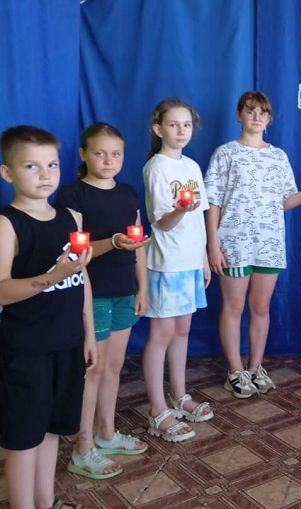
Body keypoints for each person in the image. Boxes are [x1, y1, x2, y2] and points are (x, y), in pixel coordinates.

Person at [205, 91, 301, 398]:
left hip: (269, 243)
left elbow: (285, 201)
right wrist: (213, 244)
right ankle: (235, 371)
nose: (256, 117)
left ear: (269, 119)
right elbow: (213, 201)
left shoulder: (278, 156)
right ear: (238, 115)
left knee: (261, 307)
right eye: (250, 111)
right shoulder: (225, 153)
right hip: (234, 243)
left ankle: (255, 367)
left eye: (262, 112)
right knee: (234, 307)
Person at [0, 125, 96, 509]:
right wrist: (52, 277)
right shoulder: (7, 224)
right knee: (25, 437)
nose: (45, 175)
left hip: (67, 342)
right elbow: (1, 289)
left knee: (54, 427)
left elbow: (82, 278)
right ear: (7, 173)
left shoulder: (71, 217)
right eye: (32, 166)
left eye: (52, 165)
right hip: (27, 349)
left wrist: (89, 333)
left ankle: (47, 500)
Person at [55, 123, 149, 479]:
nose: (108, 160)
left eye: (116, 154)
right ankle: (82, 448)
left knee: (114, 365)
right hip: (90, 294)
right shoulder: (73, 195)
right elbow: (74, 250)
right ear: (83, 154)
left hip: (125, 290)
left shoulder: (127, 193)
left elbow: (138, 245)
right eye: (100, 153)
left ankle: (106, 433)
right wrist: (112, 242)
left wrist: (143, 287)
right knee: (92, 369)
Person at [142, 98, 213, 442]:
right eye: (173, 124)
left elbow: (199, 218)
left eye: (186, 125)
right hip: (167, 264)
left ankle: (179, 395)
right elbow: (162, 223)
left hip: (189, 262)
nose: (181, 131)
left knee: (183, 330)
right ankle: (157, 410)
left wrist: (202, 258)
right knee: (162, 334)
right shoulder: (157, 167)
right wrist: (180, 210)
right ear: (158, 129)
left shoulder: (192, 167)